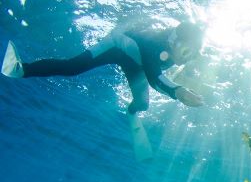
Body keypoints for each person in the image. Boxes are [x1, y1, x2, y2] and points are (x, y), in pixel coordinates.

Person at [1, 20, 205, 160]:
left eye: (192, 56)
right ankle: (21, 69)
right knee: (73, 67)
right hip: (118, 47)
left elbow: (153, 73)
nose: (186, 59)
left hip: (137, 65)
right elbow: (154, 76)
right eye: (186, 52)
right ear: (174, 40)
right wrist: (177, 91)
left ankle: (131, 111)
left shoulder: (175, 50)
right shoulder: (157, 43)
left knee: (142, 104)